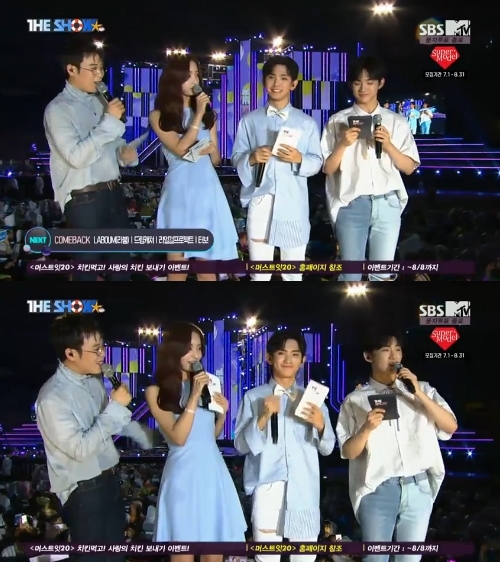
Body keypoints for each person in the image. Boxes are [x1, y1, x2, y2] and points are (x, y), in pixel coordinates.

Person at [36, 314, 153, 562]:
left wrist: (145, 436)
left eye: (102, 347)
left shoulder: (94, 382)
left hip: (109, 481)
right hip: (84, 493)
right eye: (96, 349)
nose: (102, 355)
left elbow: (108, 426)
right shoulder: (52, 398)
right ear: (71, 353)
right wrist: (115, 408)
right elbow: (79, 449)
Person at [336, 332, 458, 562]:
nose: (394, 356)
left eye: (398, 350)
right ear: (369, 356)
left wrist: (417, 392)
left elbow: (450, 426)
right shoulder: (355, 400)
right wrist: (366, 429)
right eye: (386, 350)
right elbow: (348, 451)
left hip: (419, 487)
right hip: (378, 488)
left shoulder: (424, 390)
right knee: (375, 559)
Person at [145, 322, 246, 561]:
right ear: (174, 350)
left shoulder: (207, 385)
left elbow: (207, 437)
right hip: (183, 477)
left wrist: (222, 415)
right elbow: (179, 438)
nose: (196, 355)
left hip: (212, 473)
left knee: (214, 550)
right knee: (183, 549)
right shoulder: (156, 391)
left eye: (199, 348)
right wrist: (193, 396)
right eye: (189, 348)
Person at [234, 330, 336, 562]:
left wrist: (320, 425)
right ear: (269, 358)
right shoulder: (253, 397)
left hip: (304, 489)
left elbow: (328, 448)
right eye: (282, 353)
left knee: (305, 558)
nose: (288, 359)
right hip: (267, 487)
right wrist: (262, 417)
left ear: (303, 360)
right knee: (267, 557)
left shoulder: (313, 399)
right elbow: (240, 446)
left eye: (295, 354)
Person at [43, 39, 139, 281]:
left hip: (114, 194)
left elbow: (111, 145)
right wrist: (109, 121)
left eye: (101, 68)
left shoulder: (100, 102)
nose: (99, 75)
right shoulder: (58, 109)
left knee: (122, 270)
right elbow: (76, 157)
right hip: (84, 201)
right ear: (71, 69)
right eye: (93, 68)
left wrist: (123, 154)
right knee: (86, 270)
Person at [322, 57, 420, 281]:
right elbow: (328, 168)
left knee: (381, 275)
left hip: (387, 203)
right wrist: (343, 144)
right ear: (351, 85)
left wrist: (388, 145)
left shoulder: (396, 121)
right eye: (357, 83)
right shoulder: (337, 121)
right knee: (351, 275)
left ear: (380, 83)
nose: (363, 88)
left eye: (369, 82)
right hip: (352, 202)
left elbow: (408, 167)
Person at [231, 55, 323, 281]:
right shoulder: (250, 120)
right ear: (264, 81)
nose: (276, 83)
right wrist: (252, 158)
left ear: (293, 84)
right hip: (260, 200)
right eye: (271, 77)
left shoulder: (306, 123)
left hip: (293, 202)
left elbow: (317, 161)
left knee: (293, 274)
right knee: (259, 273)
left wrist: (299, 158)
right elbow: (236, 156)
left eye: (283, 78)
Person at [149, 55, 239, 281]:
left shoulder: (209, 115)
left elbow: (215, 160)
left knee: (206, 264)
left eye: (197, 75)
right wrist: (197, 115)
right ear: (174, 79)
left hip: (206, 189)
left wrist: (211, 150)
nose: (195, 80)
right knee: (177, 264)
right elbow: (180, 149)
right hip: (180, 191)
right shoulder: (159, 116)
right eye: (188, 75)